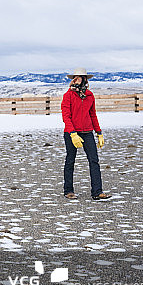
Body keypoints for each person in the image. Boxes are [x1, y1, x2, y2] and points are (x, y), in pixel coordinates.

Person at [61, 68, 111, 200]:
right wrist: (72, 133)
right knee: (70, 161)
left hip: (88, 132)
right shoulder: (68, 96)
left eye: (80, 77)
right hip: (72, 132)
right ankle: (68, 190)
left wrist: (99, 132)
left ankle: (97, 191)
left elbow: (92, 114)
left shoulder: (89, 96)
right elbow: (66, 116)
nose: (77, 79)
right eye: (75, 77)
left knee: (94, 160)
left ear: (85, 79)